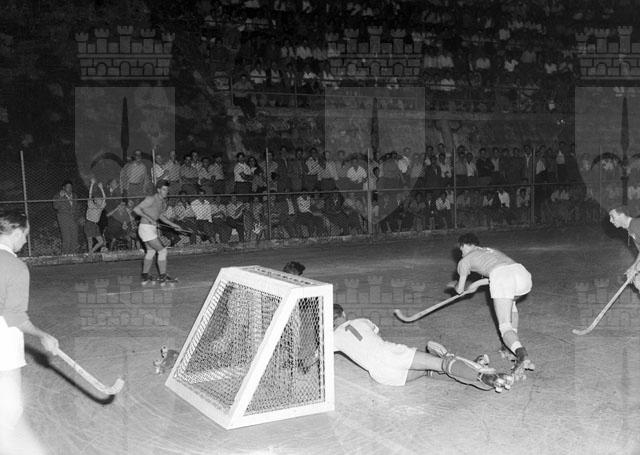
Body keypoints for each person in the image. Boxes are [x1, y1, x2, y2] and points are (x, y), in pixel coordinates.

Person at [333, 304, 513, 391]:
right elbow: (376, 334)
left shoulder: (333, 337)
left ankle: (473, 370)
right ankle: (481, 375)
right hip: (391, 354)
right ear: (344, 314)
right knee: (443, 362)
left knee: (430, 370)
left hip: (383, 376)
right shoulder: (361, 321)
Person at [0, 209, 59, 454]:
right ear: (16, 232)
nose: (25, 241)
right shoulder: (15, 267)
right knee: (10, 407)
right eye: (25, 235)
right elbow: (15, 317)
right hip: (3, 339)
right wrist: (42, 335)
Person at [453, 233, 534, 379]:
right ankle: (510, 347)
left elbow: (460, 290)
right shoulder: (489, 250)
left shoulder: (465, 260)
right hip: (522, 274)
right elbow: (497, 272)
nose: (461, 252)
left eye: (461, 249)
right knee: (511, 303)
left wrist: (454, 286)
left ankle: (521, 354)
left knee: (504, 327)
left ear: (464, 245)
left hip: (502, 277)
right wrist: (474, 286)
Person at [133, 180, 183, 285]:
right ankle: (163, 276)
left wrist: (173, 225)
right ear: (158, 190)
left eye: (167, 190)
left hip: (150, 229)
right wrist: (150, 219)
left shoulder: (162, 202)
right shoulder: (150, 199)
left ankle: (145, 276)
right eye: (164, 189)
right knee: (162, 251)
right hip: (146, 227)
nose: (166, 191)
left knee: (151, 252)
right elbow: (136, 209)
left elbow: (160, 216)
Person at [609, 206, 640, 289]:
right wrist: (633, 267)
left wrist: (636, 268)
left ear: (622, 215)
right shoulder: (631, 228)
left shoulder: (636, 224)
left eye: (612, 216)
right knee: (637, 281)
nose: (610, 220)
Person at [52, 180, 79, 254]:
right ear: (63, 188)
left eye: (71, 187)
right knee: (66, 238)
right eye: (68, 187)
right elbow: (55, 206)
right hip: (64, 219)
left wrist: (78, 217)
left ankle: (73, 254)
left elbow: (76, 207)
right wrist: (60, 197)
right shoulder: (58, 195)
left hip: (73, 218)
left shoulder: (74, 195)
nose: (70, 188)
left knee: (74, 237)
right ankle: (65, 256)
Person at [84, 178, 106, 254]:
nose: (100, 200)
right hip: (89, 223)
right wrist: (92, 184)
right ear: (95, 201)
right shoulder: (91, 205)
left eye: (100, 199)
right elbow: (90, 195)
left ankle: (90, 252)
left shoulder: (100, 208)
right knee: (90, 241)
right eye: (98, 199)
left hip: (95, 225)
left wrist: (101, 189)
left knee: (101, 241)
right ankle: (90, 255)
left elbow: (104, 198)